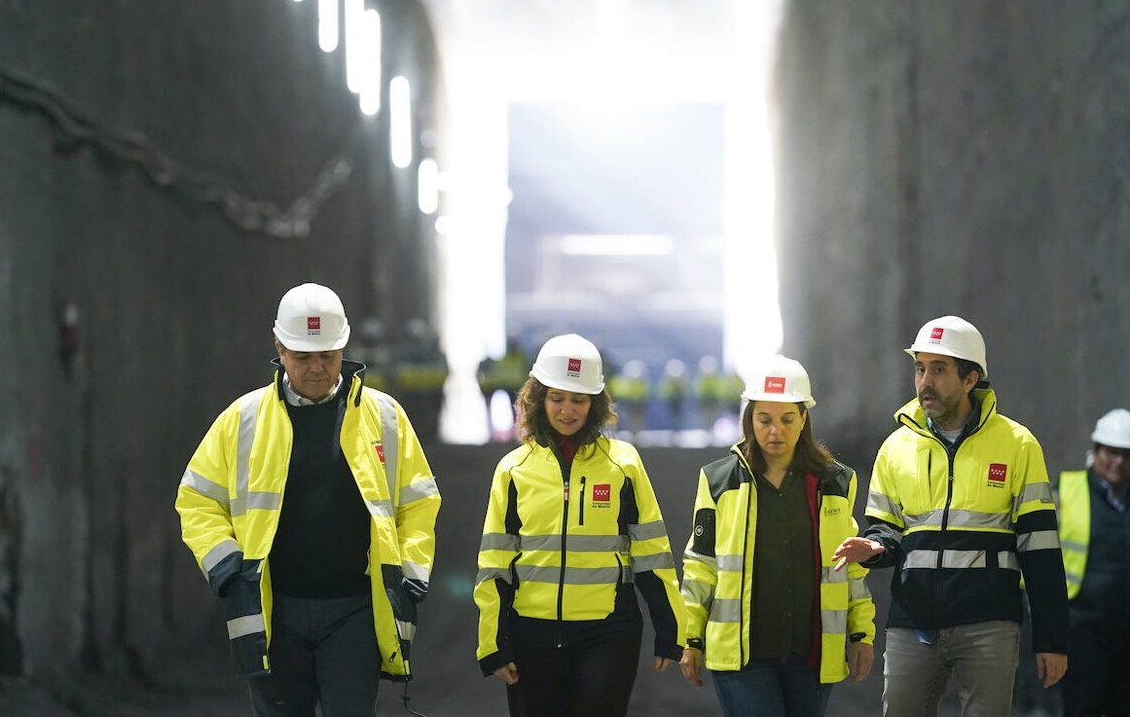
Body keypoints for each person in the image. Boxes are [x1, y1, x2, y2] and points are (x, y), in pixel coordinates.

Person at [175, 283, 441, 717]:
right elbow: (197, 497)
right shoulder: (242, 420)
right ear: (279, 349)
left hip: (355, 611)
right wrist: (226, 566)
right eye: (303, 356)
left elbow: (419, 501)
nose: (317, 368)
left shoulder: (385, 418)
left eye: (328, 356)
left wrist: (410, 571)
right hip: (274, 610)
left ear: (343, 349)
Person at [834, 314, 1069, 717]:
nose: (925, 381)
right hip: (913, 623)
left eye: (939, 370)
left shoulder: (1018, 445)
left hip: (989, 623)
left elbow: (1041, 548)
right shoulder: (895, 449)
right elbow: (886, 531)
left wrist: (1052, 638)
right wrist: (873, 547)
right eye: (920, 368)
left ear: (970, 378)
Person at [474, 333, 685, 716]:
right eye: (557, 398)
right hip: (530, 633)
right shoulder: (513, 471)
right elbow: (494, 566)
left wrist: (671, 628)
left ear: (595, 403)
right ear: (539, 400)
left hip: (608, 632)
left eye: (578, 400)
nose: (567, 410)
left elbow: (652, 551)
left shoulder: (624, 464)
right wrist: (493, 641)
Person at [679, 355, 876, 716]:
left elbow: (850, 566)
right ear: (749, 420)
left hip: (812, 655)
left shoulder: (836, 483)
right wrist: (690, 637)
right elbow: (701, 565)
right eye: (764, 419)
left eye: (787, 419)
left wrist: (861, 633)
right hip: (742, 656)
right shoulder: (719, 481)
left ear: (804, 419)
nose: (775, 431)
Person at [1056, 408, 1130, 717]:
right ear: (1096, 451)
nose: (1119, 462)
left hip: (1126, 628)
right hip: (1082, 628)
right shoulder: (1067, 491)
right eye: (1111, 453)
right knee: (1083, 706)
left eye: (1126, 455)